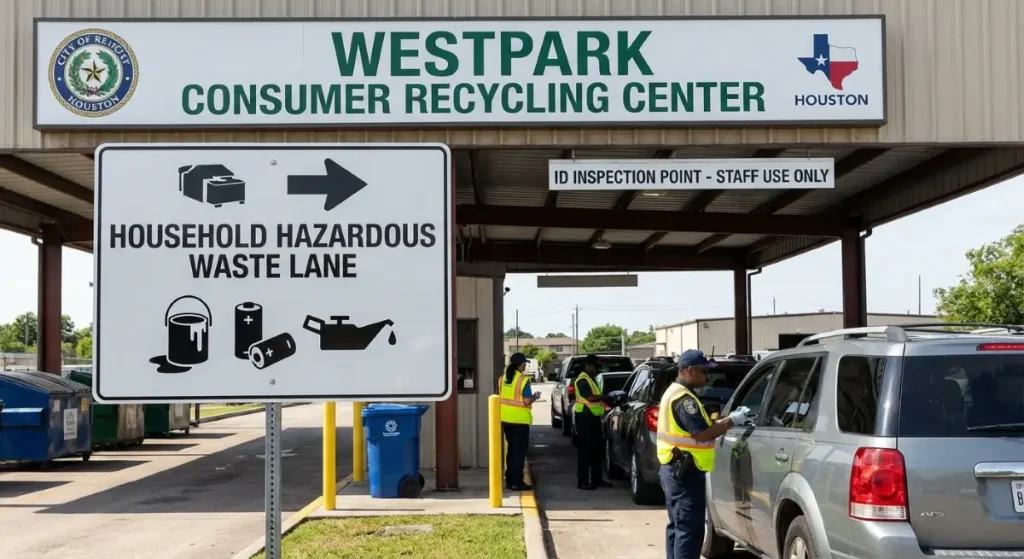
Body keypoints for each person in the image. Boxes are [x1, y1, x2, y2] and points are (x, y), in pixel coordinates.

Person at [658, 350, 750, 559]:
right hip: (685, 473)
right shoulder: (684, 400)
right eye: (704, 372)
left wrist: (721, 421)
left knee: (678, 527)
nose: (707, 377)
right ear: (689, 371)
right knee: (689, 531)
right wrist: (731, 422)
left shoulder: (675, 392)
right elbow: (702, 434)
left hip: (674, 469)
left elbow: (699, 428)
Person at [500, 352, 541, 491]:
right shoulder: (523, 380)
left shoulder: (503, 378)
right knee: (519, 452)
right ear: (520, 364)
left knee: (511, 451)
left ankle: (510, 480)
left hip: (505, 419)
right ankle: (517, 482)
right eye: (524, 363)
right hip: (519, 420)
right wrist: (535, 396)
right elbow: (527, 400)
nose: (525, 365)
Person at [573, 354, 611, 490]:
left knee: (596, 450)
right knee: (585, 451)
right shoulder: (582, 380)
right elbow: (590, 397)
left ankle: (597, 479)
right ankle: (582, 481)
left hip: (593, 418)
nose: (596, 369)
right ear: (588, 366)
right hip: (584, 418)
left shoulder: (591, 379)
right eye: (595, 367)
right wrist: (607, 396)